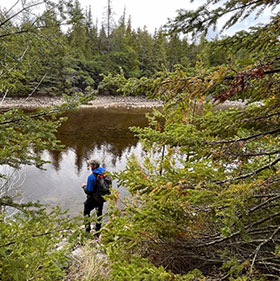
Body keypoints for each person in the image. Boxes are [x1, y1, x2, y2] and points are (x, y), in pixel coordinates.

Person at [81, 158, 105, 237]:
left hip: (93, 199)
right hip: (101, 198)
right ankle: (98, 231)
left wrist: (84, 187)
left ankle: (87, 231)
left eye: (90, 164)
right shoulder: (105, 173)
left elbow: (89, 191)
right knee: (99, 213)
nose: (89, 166)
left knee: (86, 212)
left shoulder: (91, 177)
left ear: (94, 166)